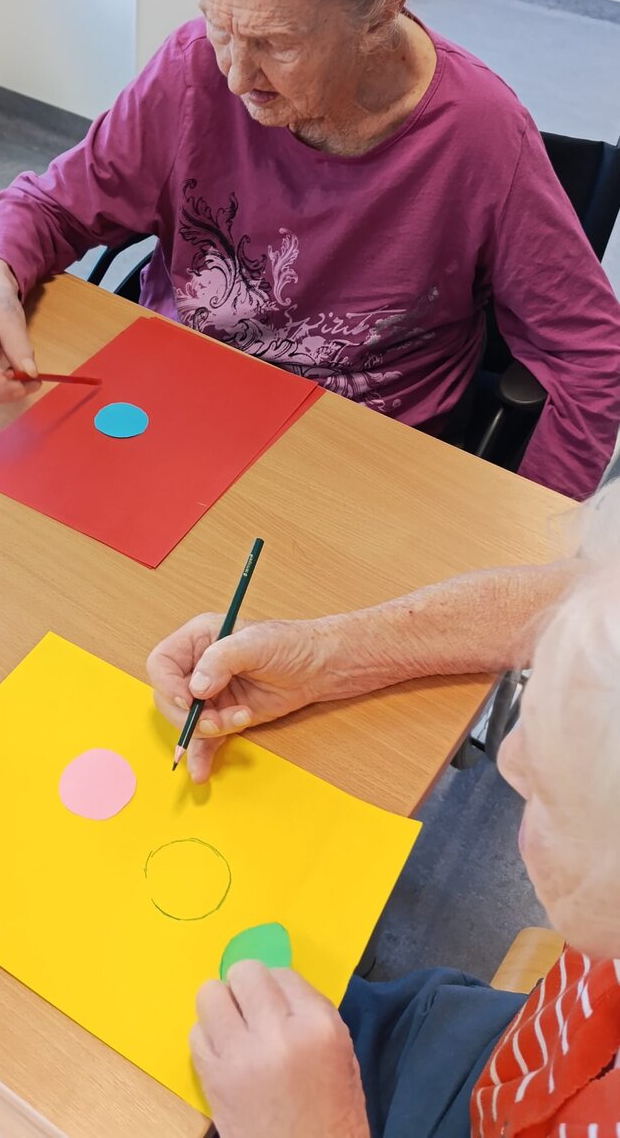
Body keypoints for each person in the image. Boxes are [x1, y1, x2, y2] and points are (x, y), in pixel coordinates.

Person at [0, 0, 620, 499]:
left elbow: (590, 356)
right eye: (221, 27)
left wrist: (532, 539)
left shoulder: (481, 134)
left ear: (381, 16)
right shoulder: (191, 69)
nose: (237, 76)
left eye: (276, 43)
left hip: (351, 467)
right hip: (171, 407)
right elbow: (49, 205)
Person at [177, 480, 620, 1136]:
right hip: (498, 1054)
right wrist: (332, 656)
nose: (510, 759)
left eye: (565, 786)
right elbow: (590, 594)